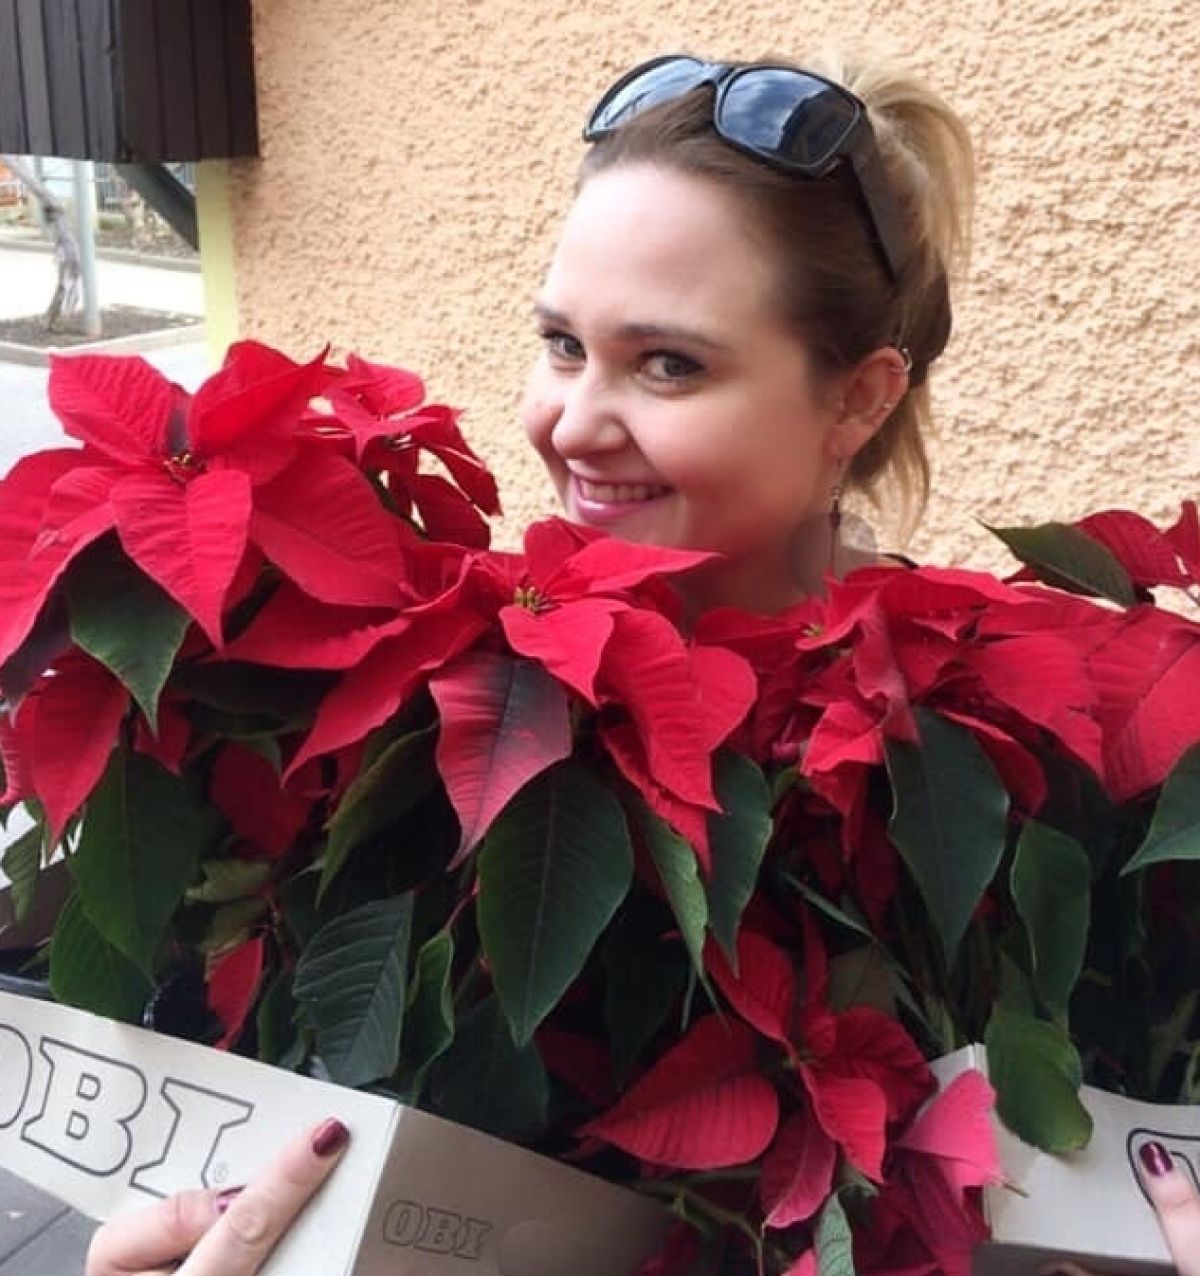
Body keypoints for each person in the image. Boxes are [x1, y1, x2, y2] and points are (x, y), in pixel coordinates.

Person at [83, 51, 1199, 1276]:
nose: (570, 423)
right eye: (563, 343)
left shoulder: (1024, 743)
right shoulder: (433, 708)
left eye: (669, 363)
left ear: (858, 400)